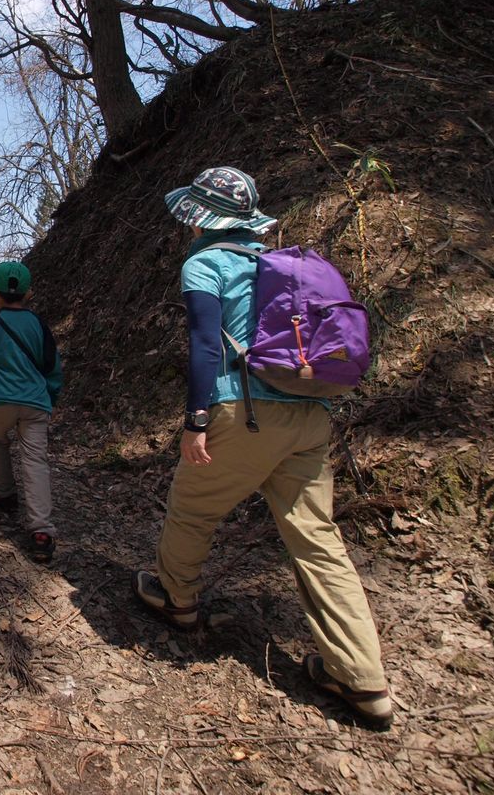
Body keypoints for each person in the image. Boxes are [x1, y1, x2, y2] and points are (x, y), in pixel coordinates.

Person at [133, 166, 392, 729]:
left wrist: (196, 420)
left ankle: (176, 598)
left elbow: (206, 344)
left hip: (244, 410)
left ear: (200, 219)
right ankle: (361, 676)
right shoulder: (280, 266)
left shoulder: (206, 263)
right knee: (317, 540)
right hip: (311, 415)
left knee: (192, 505)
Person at [0, 261, 63, 563]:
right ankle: (41, 531)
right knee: (35, 460)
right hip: (35, 402)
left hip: (2, 401)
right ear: (28, 292)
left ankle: (3, 492)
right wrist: (51, 396)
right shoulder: (38, 324)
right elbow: (51, 365)